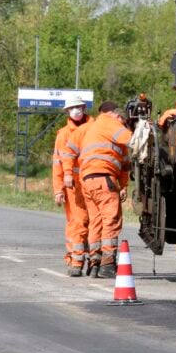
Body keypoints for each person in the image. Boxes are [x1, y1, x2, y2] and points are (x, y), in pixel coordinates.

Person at [62, 101, 133, 279]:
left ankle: (95, 263)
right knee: (111, 219)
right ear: (117, 116)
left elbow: (124, 165)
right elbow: (132, 140)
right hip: (103, 178)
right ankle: (107, 264)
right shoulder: (111, 123)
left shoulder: (89, 129)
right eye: (122, 122)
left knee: (96, 221)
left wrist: (123, 186)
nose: (121, 125)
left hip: (87, 181)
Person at [52, 97, 91, 276]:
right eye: (72, 108)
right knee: (76, 223)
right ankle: (74, 258)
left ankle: (92, 258)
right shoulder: (64, 134)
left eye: (79, 107)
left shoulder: (93, 128)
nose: (76, 111)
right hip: (73, 186)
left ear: (84, 108)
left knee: (93, 223)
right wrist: (58, 189)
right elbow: (57, 163)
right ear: (67, 111)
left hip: (91, 183)